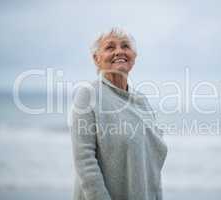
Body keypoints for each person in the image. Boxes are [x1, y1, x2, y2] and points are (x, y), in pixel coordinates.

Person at [70, 27, 168, 200]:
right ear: (96, 59)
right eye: (110, 47)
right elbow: (85, 162)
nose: (119, 51)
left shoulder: (142, 101)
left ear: (134, 57)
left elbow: (153, 164)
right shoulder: (88, 95)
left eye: (125, 46)